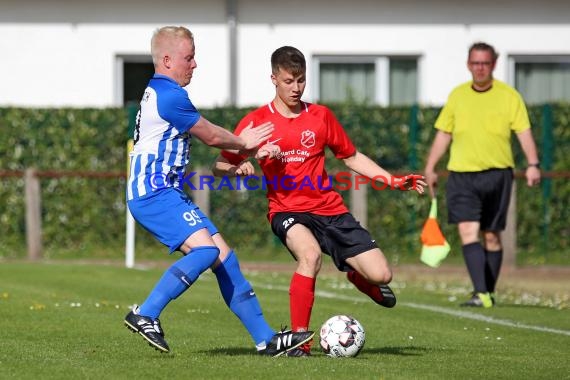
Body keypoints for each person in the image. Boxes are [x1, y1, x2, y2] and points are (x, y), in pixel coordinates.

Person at [212, 45, 426, 356]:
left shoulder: (321, 116)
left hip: (329, 209)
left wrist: (392, 180)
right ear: (273, 78)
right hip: (286, 211)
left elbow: (351, 157)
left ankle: (357, 276)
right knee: (310, 255)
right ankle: (300, 340)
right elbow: (217, 165)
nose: (296, 88)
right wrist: (239, 165)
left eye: (301, 80)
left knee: (382, 275)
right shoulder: (256, 122)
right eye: (288, 81)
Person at [124, 26, 314, 356]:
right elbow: (210, 135)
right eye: (189, 57)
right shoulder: (170, 95)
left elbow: (209, 134)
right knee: (206, 252)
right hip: (153, 194)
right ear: (167, 59)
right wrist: (244, 143)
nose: (194, 64)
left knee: (225, 259)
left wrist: (250, 152)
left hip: (165, 193)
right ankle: (146, 313)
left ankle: (266, 339)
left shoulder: (163, 92)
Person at [424, 42, 541, 308]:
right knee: (467, 230)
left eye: (485, 63)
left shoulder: (509, 96)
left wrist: (533, 163)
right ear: (468, 64)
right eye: (475, 63)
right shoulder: (457, 96)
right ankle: (481, 293)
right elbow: (444, 133)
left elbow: (523, 132)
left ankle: (487, 291)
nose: (480, 68)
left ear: (493, 65)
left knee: (491, 235)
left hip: (497, 174)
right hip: (462, 175)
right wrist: (430, 167)